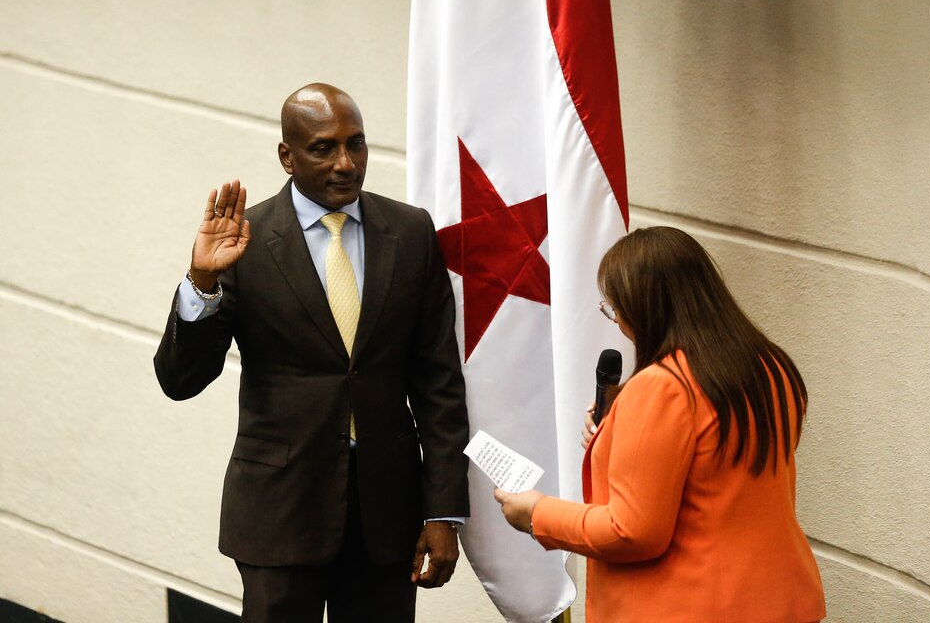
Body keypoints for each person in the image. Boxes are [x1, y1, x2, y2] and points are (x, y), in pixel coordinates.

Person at [154, 83, 470, 622]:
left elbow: (439, 384)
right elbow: (180, 379)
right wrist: (202, 279)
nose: (345, 163)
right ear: (287, 156)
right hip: (279, 512)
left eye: (357, 144)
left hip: (387, 518)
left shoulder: (411, 232)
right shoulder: (244, 242)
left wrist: (444, 512)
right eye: (323, 148)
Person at [495, 227, 826, 622]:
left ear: (646, 310)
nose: (618, 323)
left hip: (690, 606)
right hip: (779, 600)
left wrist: (538, 515)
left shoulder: (661, 388)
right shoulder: (770, 366)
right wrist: (617, 429)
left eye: (616, 311)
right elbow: (720, 471)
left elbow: (631, 531)